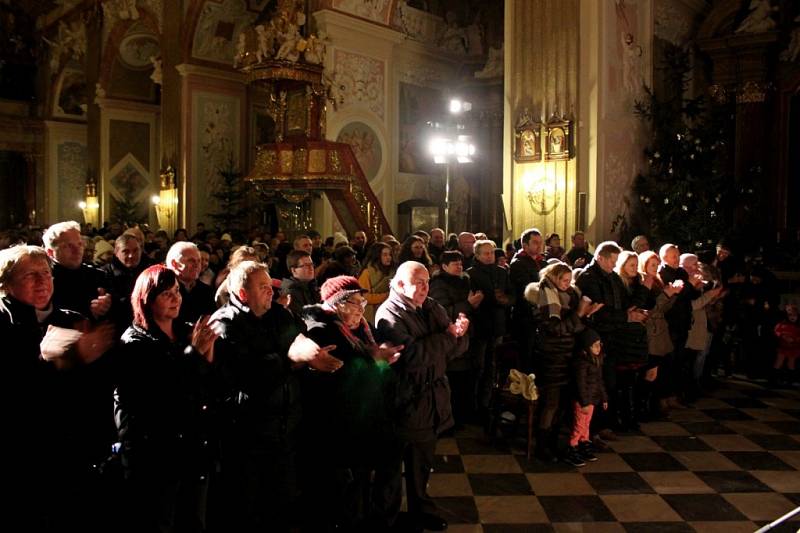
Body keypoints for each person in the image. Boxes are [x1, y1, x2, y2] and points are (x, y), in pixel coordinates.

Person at [210, 261, 336, 532]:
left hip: (284, 429)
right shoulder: (224, 324)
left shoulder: (278, 315)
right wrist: (291, 360)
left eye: (271, 286)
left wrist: (312, 353)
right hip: (248, 434)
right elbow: (247, 373)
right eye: (263, 288)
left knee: (283, 503)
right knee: (249, 507)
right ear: (243, 294)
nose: (271, 292)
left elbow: (297, 340)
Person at [1, 244, 116, 533]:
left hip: (72, 452)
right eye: (30, 275)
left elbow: (95, 388)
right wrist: (53, 362)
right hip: (24, 458)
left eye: (46, 273)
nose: (42, 282)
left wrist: (92, 360)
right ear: (6, 283)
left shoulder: (69, 318)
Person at [115, 264, 219, 533]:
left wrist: (207, 357)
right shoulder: (135, 343)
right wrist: (195, 355)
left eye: (177, 291)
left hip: (192, 445)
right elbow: (160, 394)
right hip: (156, 453)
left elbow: (204, 384)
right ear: (147, 299)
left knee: (194, 520)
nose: (176, 298)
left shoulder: (185, 331)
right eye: (166, 294)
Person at [301, 276, 402, 531]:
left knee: (364, 482)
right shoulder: (321, 331)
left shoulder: (359, 328)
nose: (361, 307)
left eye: (362, 301)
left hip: (366, 420)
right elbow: (338, 378)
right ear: (337, 304)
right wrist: (375, 361)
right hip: (340, 426)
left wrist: (378, 358)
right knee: (346, 491)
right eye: (356, 302)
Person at [375, 261, 469, 532]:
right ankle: (386, 520)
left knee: (422, 464)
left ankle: (421, 510)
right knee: (391, 470)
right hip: (405, 400)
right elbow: (412, 357)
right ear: (401, 284)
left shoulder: (432, 307)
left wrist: (459, 334)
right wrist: (449, 337)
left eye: (427, 281)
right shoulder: (389, 314)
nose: (425, 288)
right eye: (419, 283)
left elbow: (452, 351)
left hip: (431, 399)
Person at [525, 262, 601, 463]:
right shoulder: (545, 297)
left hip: (569, 355)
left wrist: (586, 314)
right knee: (551, 403)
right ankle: (543, 446)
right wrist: (579, 315)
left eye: (570, 280)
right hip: (551, 358)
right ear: (554, 278)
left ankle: (557, 443)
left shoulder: (570, 295)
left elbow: (573, 327)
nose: (568, 284)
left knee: (563, 404)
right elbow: (556, 329)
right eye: (564, 280)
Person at [429, 250, 484, 425]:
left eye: (461, 263)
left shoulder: (465, 281)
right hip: (452, 337)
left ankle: (465, 414)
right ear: (444, 266)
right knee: (454, 379)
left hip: (468, 335)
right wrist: (469, 304)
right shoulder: (438, 284)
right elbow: (443, 311)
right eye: (455, 264)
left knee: (467, 378)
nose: (460, 267)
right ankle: (451, 419)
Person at [44, 220, 112, 321]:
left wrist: (109, 304)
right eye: (68, 246)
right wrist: (88, 312)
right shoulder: (44, 281)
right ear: (50, 252)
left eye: (80, 244)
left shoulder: (98, 276)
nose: (77, 250)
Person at [569, 329, 608, 466]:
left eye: (599, 344)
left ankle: (583, 444)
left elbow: (599, 381)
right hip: (583, 401)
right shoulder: (581, 364)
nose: (598, 348)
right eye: (595, 345)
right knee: (579, 425)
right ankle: (572, 447)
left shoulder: (596, 362)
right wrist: (584, 402)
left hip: (592, 399)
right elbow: (580, 385)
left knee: (586, 425)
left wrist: (603, 398)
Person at [509, 228, 546, 371]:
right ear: (525, 245)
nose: (539, 246)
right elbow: (527, 288)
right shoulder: (518, 263)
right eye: (535, 242)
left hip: (539, 315)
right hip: (525, 316)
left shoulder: (543, 262)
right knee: (526, 354)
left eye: (540, 242)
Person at [103, 233, 150, 331]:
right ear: (116, 252)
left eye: (135, 250)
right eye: (125, 251)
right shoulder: (105, 273)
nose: (131, 255)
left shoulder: (149, 271)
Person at [166, 241, 215, 324]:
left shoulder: (206, 291)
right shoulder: (163, 291)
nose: (197, 265)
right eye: (191, 261)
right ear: (175, 264)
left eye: (198, 261)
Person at [358, 242, 396, 323]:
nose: (389, 257)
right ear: (377, 256)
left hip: (389, 312)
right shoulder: (367, 273)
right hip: (371, 314)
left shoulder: (393, 272)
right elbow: (364, 297)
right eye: (385, 255)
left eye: (390, 255)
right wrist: (386, 295)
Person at [282, 249, 320, 317]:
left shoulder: (312, 286)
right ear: (294, 270)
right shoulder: (291, 293)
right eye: (306, 265)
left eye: (311, 264)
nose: (311, 268)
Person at [773, 303, 800, 386]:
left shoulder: (798, 326)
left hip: (794, 347)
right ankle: (774, 380)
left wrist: (795, 339)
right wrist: (783, 336)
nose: (792, 317)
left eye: (794, 315)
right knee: (779, 362)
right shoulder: (782, 324)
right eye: (790, 315)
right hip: (783, 347)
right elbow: (777, 331)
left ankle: (790, 380)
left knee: (791, 363)